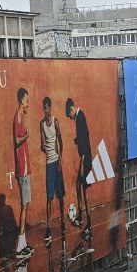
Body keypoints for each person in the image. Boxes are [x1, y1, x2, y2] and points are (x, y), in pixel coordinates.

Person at [64, 97, 92, 236]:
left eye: (70, 116)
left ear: (71, 109)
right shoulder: (80, 116)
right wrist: (77, 140)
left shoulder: (80, 117)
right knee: (78, 186)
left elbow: (85, 142)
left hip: (85, 158)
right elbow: (83, 137)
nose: (71, 118)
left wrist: (82, 161)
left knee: (84, 191)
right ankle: (82, 219)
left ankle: (89, 225)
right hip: (85, 157)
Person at [39, 96, 65, 244]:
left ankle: (62, 223)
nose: (45, 110)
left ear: (50, 108)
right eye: (43, 108)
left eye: (46, 107)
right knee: (49, 197)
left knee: (60, 196)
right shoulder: (41, 124)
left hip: (57, 163)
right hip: (49, 163)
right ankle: (49, 228)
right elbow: (42, 144)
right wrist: (44, 148)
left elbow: (61, 143)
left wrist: (60, 161)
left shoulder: (55, 121)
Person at [12, 88, 32, 256]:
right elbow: (17, 140)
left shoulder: (21, 117)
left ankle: (24, 244)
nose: (28, 103)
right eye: (26, 100)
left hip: (25, 168)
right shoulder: (17, 118)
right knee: (24, 205)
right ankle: (20, 247)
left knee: (27, 204)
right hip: (22, 169)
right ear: (21, 100)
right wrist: (26, 135)